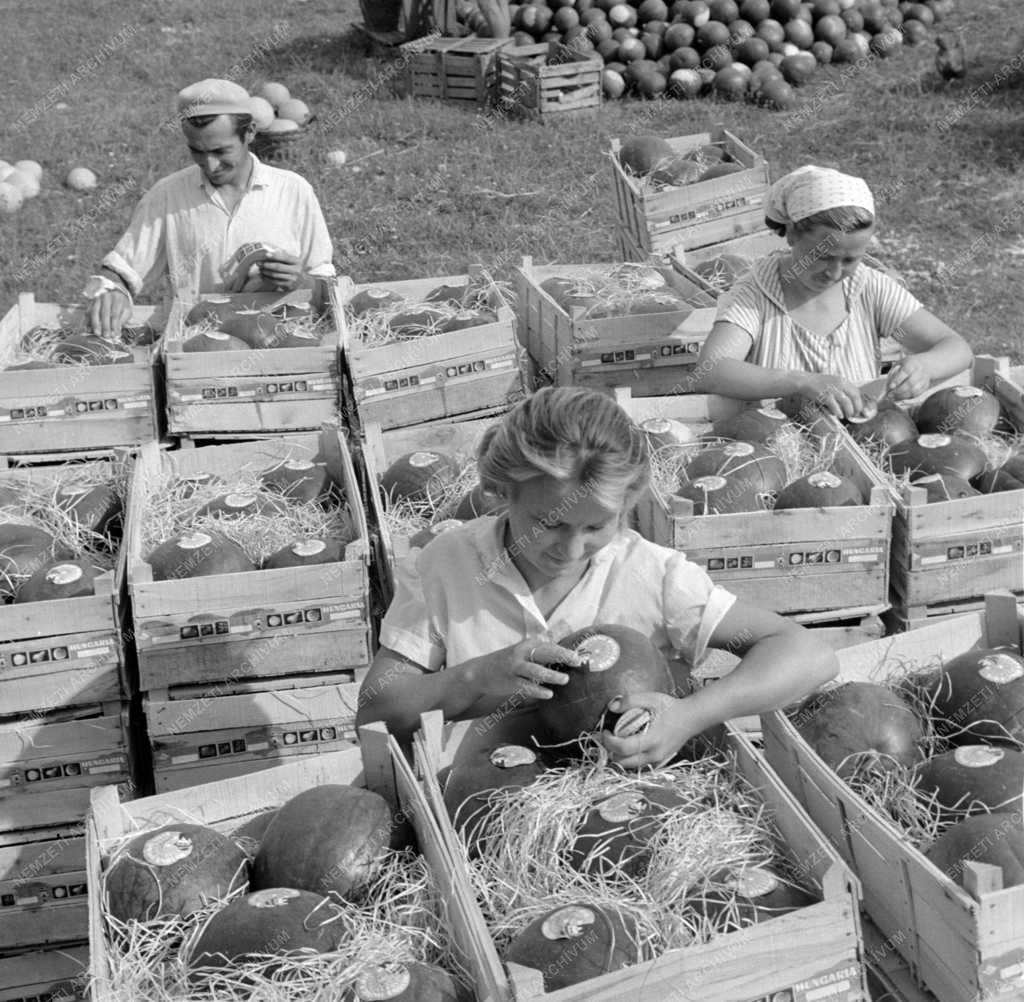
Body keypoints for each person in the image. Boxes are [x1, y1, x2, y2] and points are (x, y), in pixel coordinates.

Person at [356, 386, 838, 767]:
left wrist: (689, 715)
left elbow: (809, 654)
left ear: (628, 506)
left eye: (595, 526)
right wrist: (478, 675)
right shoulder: (447, 563)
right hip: (483, 799)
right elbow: (377, 712)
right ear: (504, 493)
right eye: (550, 523)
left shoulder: (651, 573)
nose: (570, 549)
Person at [695, 165, 973, 421]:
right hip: (779, 443)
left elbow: (957, 348)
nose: (835, 272)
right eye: (822, 257)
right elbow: (712, 369)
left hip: (862, 443)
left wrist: (924, 366)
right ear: (791, 234)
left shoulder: (869, 288)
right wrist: (801, 382)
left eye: (850, 260)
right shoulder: (756, 292)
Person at [85, 78, 335, 337]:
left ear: (249, 132)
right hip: (194, 348)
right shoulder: (167, 196)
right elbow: (119, 272)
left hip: (279, 342)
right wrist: (111, 291)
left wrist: (302, 282)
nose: (210, 165)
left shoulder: (294, 191)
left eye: (221, 151)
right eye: (197, 151)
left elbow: (326, 287)